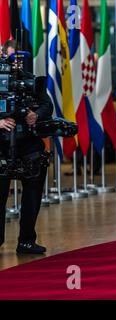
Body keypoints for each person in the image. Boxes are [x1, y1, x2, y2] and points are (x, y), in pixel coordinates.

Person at [0, 40, 53, 254]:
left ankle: (27, 241)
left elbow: (47, 105)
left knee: (32, 194)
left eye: (17, 59)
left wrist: (35, 115)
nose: (14, 64)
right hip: (2, 146)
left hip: (28, 145)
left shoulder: (30, 81)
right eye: (10, 58)